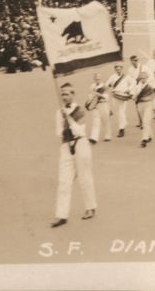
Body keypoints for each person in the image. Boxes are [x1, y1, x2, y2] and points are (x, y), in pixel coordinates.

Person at [51, 82, 97, 228]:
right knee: (64, 181)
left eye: (67, 93)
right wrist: (64, 118)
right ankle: (61, 215)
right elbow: (59, 132)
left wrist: (69, 119)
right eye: (62, 94)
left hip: (81, 145)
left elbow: (80, 131)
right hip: (66, 146)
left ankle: (90, 207)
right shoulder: (59, 112)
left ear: (73, 94)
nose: (64, 96)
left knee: (85, 178)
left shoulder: (80, 110)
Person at [106, 63, 134, 138]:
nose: (118, 69)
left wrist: (129, 89)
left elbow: (133, 83)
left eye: (119, 68)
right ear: (115, 69)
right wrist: (109, 86)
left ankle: (121, 129)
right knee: (119, 111)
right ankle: (124, 122)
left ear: (122, 68)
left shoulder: (126, 76)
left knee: (121, 111)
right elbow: (107, 84)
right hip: (115, 96)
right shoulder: (112, 76)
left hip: (123, 96)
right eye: (116, 68)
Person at [132, 72, 155, 148]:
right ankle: (150, 136)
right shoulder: (137, 87)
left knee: (145, 122)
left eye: (144, 78)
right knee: (144, 121)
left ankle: (144, 140)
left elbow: (154, 97)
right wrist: (133, 96)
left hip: (148, 104)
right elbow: (134, 95)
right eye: (141, 78)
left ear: (147, 78)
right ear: (140, 78)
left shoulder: (150, 86)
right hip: (140, 105)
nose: (143, 79)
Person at [86, 73, 111, 142]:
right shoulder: (92, 86)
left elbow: (106, 97)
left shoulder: (104, 86)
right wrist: (90, 101)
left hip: (103, 104)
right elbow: (90, 95)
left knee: (105, 121)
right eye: (96, 78)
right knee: (95, 121)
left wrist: (97, 94)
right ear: (94, 79)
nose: (97, 80)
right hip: (95, 105)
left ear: (101, 78)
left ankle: (108, 136)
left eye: (98, 78)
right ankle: (94, 138)